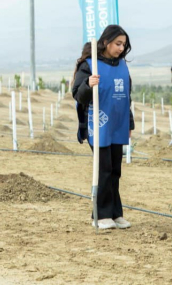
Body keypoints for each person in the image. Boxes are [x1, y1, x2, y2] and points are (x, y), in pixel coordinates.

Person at [72, 26, 135, 230]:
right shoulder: (90, 65)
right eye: (118, 44)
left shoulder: (123, 66)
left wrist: (129, 123)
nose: (121, 48)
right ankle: (100, 215)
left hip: (118, 125)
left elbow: (127, 96)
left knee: (115, 170)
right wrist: (88, 84)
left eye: (123, 45)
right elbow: (78, 95)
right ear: (106, 42)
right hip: (98, 125)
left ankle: (116, 214)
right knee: (104, 169)